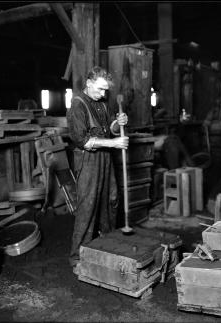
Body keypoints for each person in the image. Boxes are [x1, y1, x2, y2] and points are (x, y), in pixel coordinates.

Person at [66, 66, 129, 271]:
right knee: (88, 206)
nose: (103, 94)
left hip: (105, 159)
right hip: (88, 160)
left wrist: (116, 123)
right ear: (89, 83)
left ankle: (106, 244)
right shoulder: (77, 105)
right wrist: (114, 144)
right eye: (100, 89)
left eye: (106, 91)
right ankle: (76, 258)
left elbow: (107, 130)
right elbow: (83, 140)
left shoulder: (101, 102)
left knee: (110, 200)